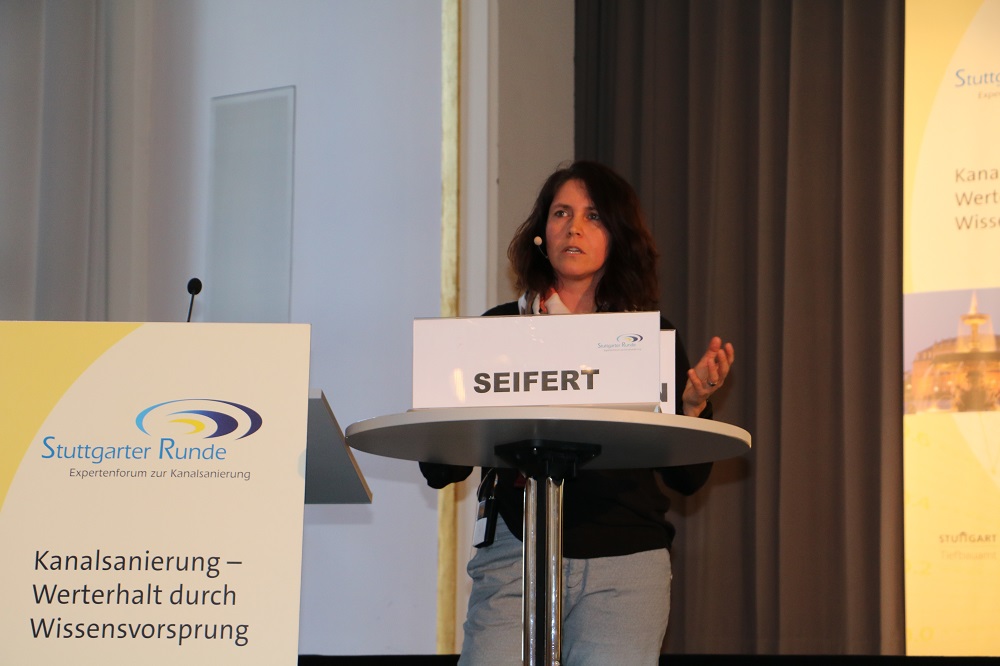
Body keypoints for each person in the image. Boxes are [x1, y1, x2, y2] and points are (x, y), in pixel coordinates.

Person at [419, 160, 734, 664]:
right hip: (516, 554)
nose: (574, 227)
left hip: (625, 566)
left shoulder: (647, 337)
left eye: (594, 216)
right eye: (561, 213)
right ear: (541, 233)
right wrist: (442, 390)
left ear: (617, 238)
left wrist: (693, 407)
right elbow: (440, 470)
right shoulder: (496, 331)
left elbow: (687, 479)